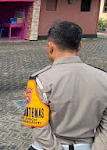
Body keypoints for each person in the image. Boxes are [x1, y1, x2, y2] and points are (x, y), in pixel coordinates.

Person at [24, 21, 107, 150]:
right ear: (79, 46)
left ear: (51, 47)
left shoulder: (40, 80)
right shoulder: (103, 79)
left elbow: (38, 126)